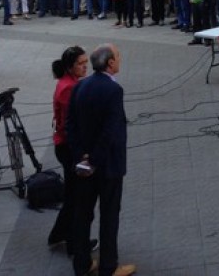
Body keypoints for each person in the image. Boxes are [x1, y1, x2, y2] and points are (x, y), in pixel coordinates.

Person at [67, 44, 135, 276]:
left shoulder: (81, 86)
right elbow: (111, 131)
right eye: (118, 56)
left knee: (83, 214)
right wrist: (95, 158)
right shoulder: (114, 91)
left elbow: (70, 125)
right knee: (109, 215)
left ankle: (82, 264)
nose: (120, 59)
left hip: (83, 164)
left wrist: (80, 156)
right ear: (110, 63)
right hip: (107, 165)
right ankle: (109, 266)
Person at [48, 46, 96, 257]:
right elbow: (72, 123)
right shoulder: (68, 88)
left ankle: (60, 234)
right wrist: (83, 152)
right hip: (69, 147)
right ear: (70, 66)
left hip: (67, 144)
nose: (85, 66)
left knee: (73, 195)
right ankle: (75, 242)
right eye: (80, 63)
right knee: (78, 197)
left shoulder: (71, 83)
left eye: (86, 62)